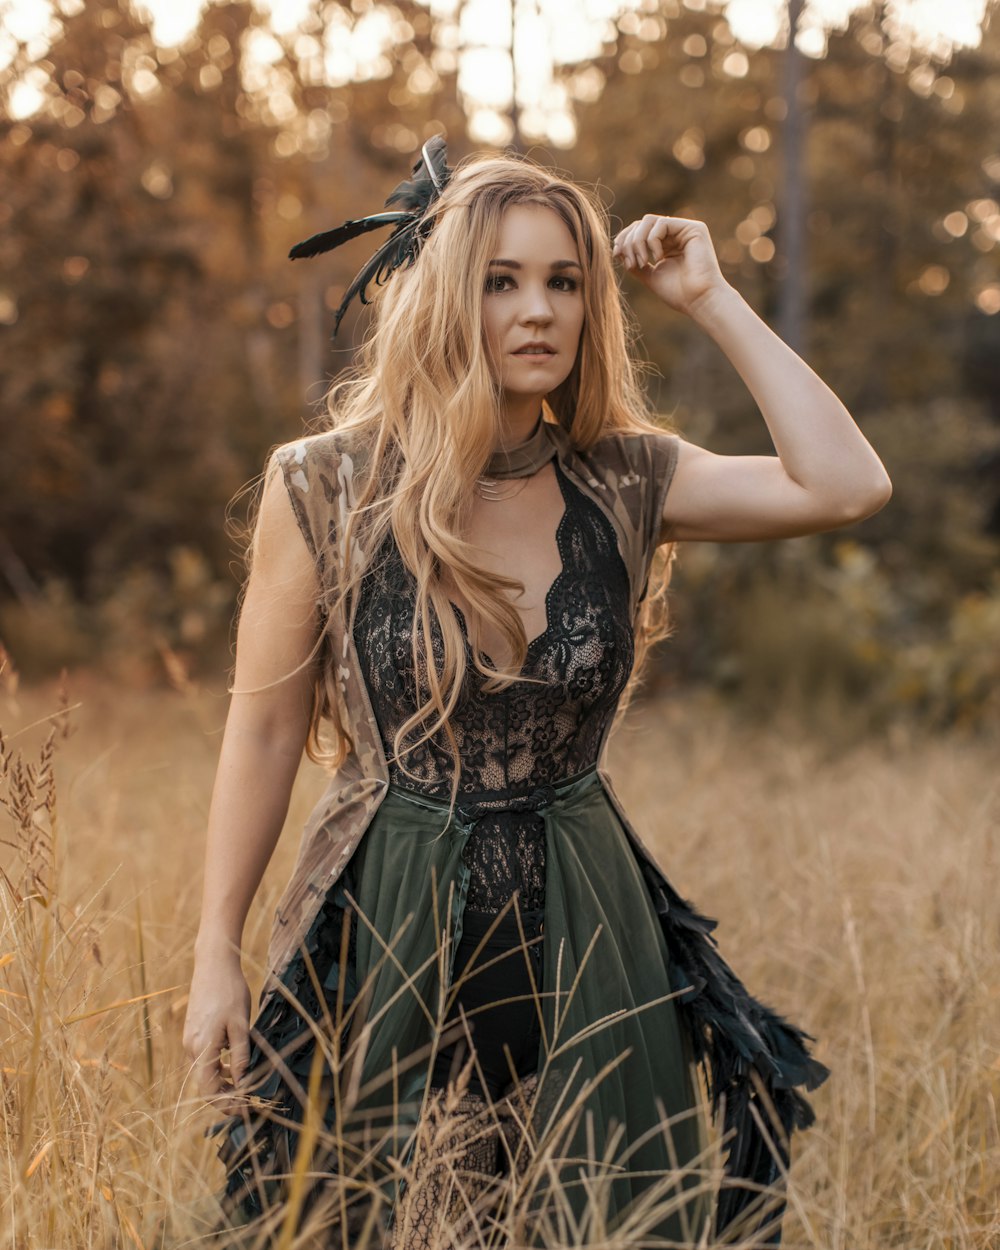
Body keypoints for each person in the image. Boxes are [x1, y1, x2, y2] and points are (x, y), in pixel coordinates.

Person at [182, 139, 889, 1247]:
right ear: (444, 293)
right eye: (501, 280)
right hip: (386, 900)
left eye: (564, 281)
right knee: (340, 1215)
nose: (538, 310)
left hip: (587, 910)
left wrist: (709, 295)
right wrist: (214, 951)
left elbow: (845, 483)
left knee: (607, 1218)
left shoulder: (626, 473)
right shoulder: (320, 483)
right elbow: (265, 726)